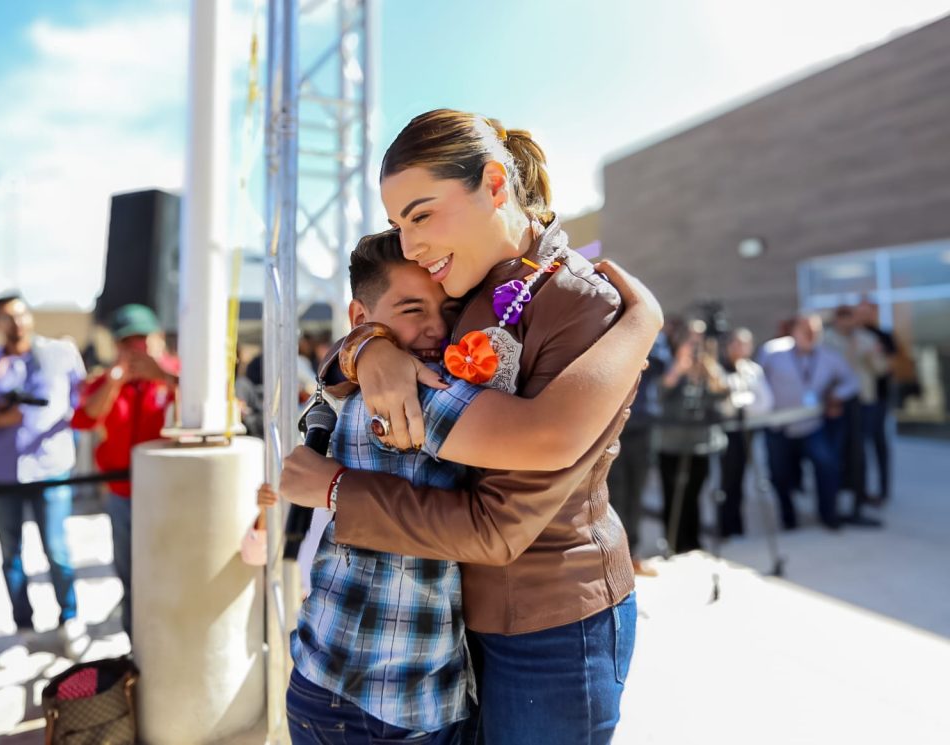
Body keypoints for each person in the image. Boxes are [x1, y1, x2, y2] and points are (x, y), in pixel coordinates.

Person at [279, 109, 656, 744]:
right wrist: (368, 346)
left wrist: (339, 490)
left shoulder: (579, 301)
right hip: (452, 627)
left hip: (552, 625)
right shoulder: (459, 275)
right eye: (399, 223)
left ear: (495, 184)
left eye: (420, 215)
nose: (408, 243)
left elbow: (507, 512)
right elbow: (376, 311)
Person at [0, 293, 90, 660]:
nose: (17, 323)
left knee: (57, 547)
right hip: (3, 471)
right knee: (11, 554)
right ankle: (24, 629)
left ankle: (70, 618)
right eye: (6, 317)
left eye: (21, 314)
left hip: (51, 467)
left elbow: (80, 404)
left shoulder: (60, 354)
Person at [70, 304, 178, 639]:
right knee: (130, 575)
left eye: (141, 339)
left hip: (168, 496)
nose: (135, 348)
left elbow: (210, 409)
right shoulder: (107, 381)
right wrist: (115, 380)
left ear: (156, 339)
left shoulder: (178, 373)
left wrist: (162, 376)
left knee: (167, 573)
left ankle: (167, 640)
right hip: (121, 495)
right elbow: (84, 419)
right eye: (126, 342)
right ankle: (137, 645)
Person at [757, 313, 859, 530]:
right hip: (779, 426)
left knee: (827, 466)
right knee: (779, 475)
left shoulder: (829, 357)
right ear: (793, 331)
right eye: (806, 330)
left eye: (815, 331)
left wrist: (837, 395)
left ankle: (829, 514)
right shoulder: (773, 352)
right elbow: (757, 381)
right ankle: (788, 518)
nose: (811, 335)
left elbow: (851, 381)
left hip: (812, 425)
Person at [655, 320, 730, 554]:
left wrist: (709, 369)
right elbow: (657, 393)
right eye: (691, 338)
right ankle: (673, 541)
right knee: (672, 492)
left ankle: (693, 541)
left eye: (699, 338)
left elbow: (723, 393)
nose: (695, 344)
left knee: (694, 493)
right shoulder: (667, 361)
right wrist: (679, 368)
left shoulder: (708, 365)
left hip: (701, 442)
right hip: (671, 442)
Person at [608, 330, 671, 575]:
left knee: (637, 491)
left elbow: (659, 364)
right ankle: (614, 558)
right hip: (614, 424)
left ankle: (632, 553)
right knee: (615, 492)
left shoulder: (651, 329)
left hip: (642, 423)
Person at [824, 306, 888, 525]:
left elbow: (881, 370)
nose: (847, 324)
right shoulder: (827, 341)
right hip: (839, 403)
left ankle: (860, 499)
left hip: (863, 401)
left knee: (860, 452)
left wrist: (872, 357)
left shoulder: (866, 339)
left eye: (849, 319)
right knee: (839, 453)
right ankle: (838, 499)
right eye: (842, 319)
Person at [717, 328, 774, 538]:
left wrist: (744, 402)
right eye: (735, 344)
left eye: (744, 344)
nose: (739, 349)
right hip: (726, 434)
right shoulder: (719, 370)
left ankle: (737, 524)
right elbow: (726, 405)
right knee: (727, 481)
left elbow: (765, 402)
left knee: (742, 480)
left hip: (748, 432)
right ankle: (725, 525)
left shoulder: (753, 370)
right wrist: (745, 401)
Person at [855, 300, 897, 502]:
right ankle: (860, 490)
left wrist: (874, 355)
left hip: (878, 399)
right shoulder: (852, 336)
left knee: (879, 444)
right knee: (859, 446)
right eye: (860, 311)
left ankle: (883, 490)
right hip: (858, 400)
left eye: (867, 311)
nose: (863, 315)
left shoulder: (883, 336)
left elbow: (889, 365)